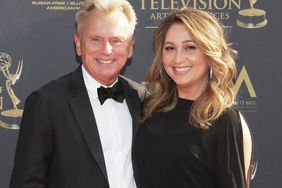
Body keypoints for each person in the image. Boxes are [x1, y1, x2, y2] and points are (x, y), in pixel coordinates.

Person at [10, 0, 146, 187]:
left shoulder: (143, 98)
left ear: (130, 47)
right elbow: (27, 183)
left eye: (116, 41)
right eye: (96, 39)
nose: (106, 50)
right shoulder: (47, 103)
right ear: (78, 44)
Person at [135, 7, 253, 188]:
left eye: (190, 47)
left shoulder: (224, 121)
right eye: (170, 48)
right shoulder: (152, 108)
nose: (178, 58)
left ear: (209, 52)